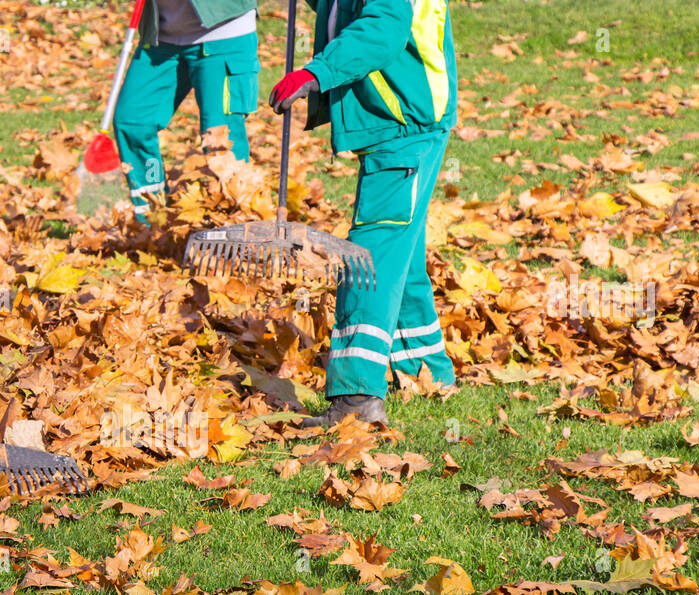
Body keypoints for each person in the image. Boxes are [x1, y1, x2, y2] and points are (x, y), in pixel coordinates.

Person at [269, 0, 458, 428]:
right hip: (406, 118)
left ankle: (356, 398)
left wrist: (316, 73)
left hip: (406, 124)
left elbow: (383, 26)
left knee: (368, 258)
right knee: (399, 257)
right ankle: (425, 372)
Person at [112, 0, 260, 219]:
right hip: (162, 36)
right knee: (134, 120)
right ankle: (153, 218)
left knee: (220, 139)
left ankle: (235, 225)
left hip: (223, 33)